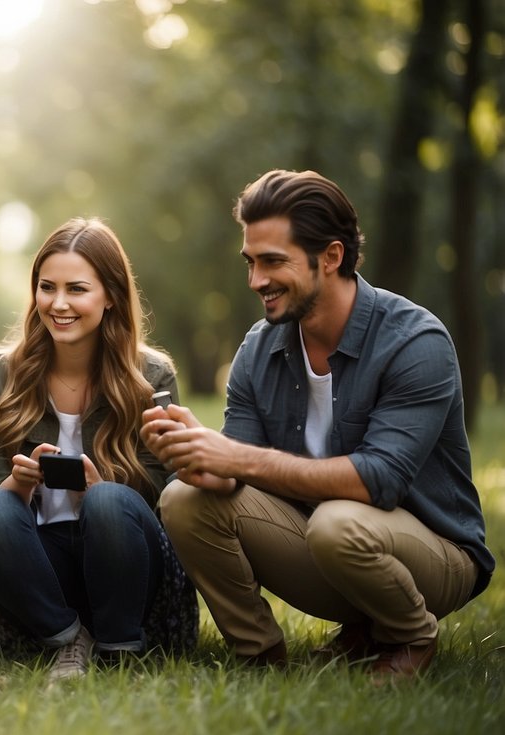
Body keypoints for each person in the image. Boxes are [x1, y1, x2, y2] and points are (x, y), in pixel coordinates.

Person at [141, 169, 495, 682]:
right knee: (182, 499)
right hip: (325, 544)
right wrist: (197, 453)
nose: (256, 280)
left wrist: (236, 457)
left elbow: (379, 480)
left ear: (330, 257)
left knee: (337, 523)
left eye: (272, 262)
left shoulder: (415, 341)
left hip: (435, 556)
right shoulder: (258, 349)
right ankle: (260, 657)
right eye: (251, 262)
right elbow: (234, 475)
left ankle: (408, 635)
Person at [0, 217, 198, 681]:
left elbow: (162, 499)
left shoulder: (150, 378)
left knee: (109, 501)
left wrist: (99, 490)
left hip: (124, 566)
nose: (59, 303)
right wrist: (18, 483)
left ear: (110, 295)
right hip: (40, 569)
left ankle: (118, 645)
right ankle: (69, 638)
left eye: (76, 289)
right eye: (47, 287)